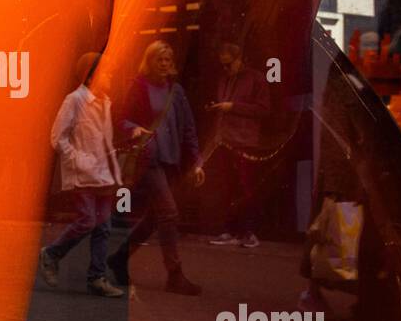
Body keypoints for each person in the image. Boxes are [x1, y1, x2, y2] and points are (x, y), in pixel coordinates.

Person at [108, 40, 204, 296]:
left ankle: (119, 258)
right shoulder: (139, 87)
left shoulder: (177, 91)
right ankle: (175, 274)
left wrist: (196, 162)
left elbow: (189, 129)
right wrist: (134, 128)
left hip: (171, 160)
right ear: (150, 62)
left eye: (167, 59)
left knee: (154, 218)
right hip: (148, 160)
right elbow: (122, 118)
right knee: (169, 213)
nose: (164, 64)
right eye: (159, 59)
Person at [39, 51, 132, 298]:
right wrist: (80, 161)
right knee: (88, 220)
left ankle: (96, 278)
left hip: (103, 175)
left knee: (103, 227)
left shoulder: (105, 102)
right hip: (82, 175)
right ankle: (51, 254)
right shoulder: (75, 100)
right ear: (92, 76)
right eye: (107, 72)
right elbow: (57, 137)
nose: (111, 76)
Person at [207, 42, 270, 249]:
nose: (225, 69)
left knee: (245, 187)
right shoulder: (224, 79)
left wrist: (232, 106)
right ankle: (231, 230)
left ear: (239, 59)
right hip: (226, 139)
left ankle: (248, 232)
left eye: (229, 64)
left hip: (245, 141)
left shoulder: (256, 79)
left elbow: (263, 109)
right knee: (229, 187)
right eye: (223, 65)